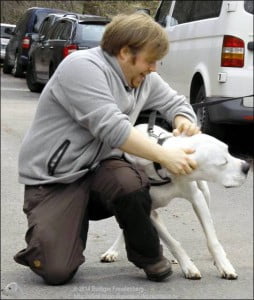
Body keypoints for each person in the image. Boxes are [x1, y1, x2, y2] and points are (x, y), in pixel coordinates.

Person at [14, 13, 200, 285]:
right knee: (55, 271)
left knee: (130, 181)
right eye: (150, 60)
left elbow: (177, 104)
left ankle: (149, 256)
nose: (153, 68)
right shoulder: (81, 67)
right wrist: (164, 155)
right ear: (125, 52)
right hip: (55, 180)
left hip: (99, 170)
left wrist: (184, 120)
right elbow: (113, 129)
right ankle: (52, 236)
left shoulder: (144, 79)